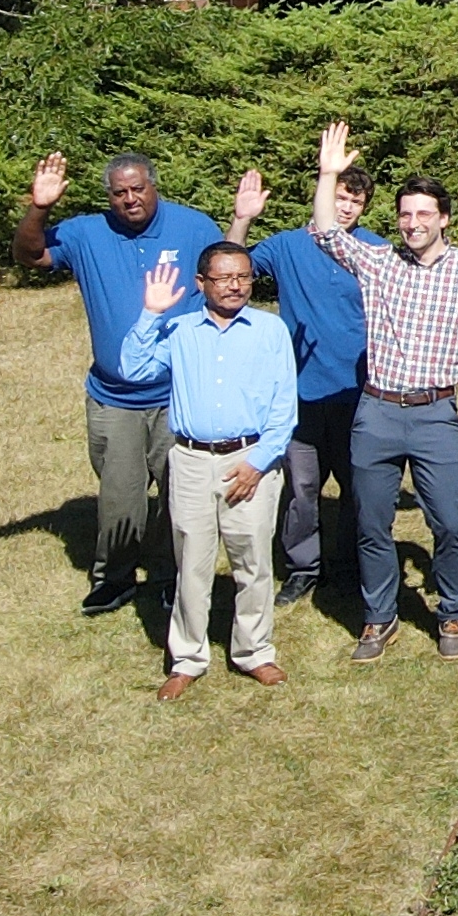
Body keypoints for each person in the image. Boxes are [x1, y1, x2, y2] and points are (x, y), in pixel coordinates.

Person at [310, 123, 458, 662]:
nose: (411, 224)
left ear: (443, 219)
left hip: (436, 413)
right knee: (370, 520)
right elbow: (325, 233)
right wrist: (329, 174)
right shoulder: (378, 263)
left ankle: (452, 609)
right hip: (378, 411)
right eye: (404, 214)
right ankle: (379, 617)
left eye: (422, 215)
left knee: (450, 520)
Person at [13, 149, 223, 615]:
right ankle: (115, 577)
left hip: (179, 394)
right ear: (109, 196)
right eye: (119, 192)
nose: (130, 199)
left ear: (154, 186)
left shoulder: (193, 227)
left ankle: (173, 578)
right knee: (120, 499)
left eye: (138, 189)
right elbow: (29, 255)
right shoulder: (87, 232)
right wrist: (40, 206)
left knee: (179, 494)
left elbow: (227, 273)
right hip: (115, 398)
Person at [120, 247, 295, 699]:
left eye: (244, 277)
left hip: (250, 460)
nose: (236, 285)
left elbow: (284, 407)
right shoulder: (178, 331)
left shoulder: (270, 330)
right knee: (192, 563)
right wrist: (149, 314)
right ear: (201, 284)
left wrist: (259, 463)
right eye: (224, 278)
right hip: (193, 462)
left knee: (253, 561)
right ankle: (187, 658)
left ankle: (255, 651)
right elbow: (133, 368)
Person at [231, 161, 379, 606]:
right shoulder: (286, 247)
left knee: (358, 486)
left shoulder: (374, 250)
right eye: (341, 197)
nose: (348, 207)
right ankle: (303, 568)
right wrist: (242, 218)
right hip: (299, 393)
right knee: (302, 489)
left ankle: (353, 566)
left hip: (359, 391)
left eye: (357, 201)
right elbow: (232, 268)